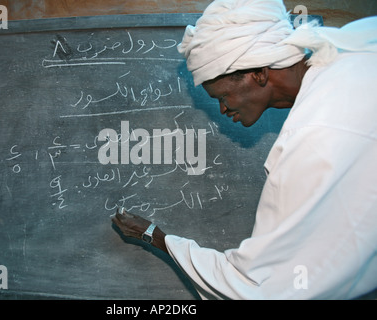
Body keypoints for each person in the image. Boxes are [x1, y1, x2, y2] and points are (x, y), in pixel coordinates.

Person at [112, 0, 377, 299]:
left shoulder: (317, 136)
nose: (223, 108)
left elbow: (263, 287)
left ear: (259, 73)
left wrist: (157, 237)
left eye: (223, 95)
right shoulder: (353, 57)